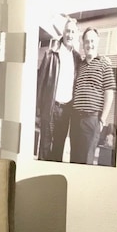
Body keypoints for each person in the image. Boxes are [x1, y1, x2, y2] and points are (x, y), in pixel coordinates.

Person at [35, 17, 80, 161]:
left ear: (76, 35)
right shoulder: (51, 54)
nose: (70, 35)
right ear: (63, 32)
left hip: (66, 110)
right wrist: (37, 110)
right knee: (45, 147)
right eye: (68, 31)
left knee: (58, 149)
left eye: (73, 32)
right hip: (50, 107)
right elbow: (40, 84)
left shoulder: (77, 58)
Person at [69, 27, 116, 164]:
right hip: (75, 119)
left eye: (92, 41)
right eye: (87, 41)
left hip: (92, 120)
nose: (90, 45)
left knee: (85, 161)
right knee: (74, 159)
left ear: (98, 42)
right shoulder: (80, 65)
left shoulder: (104, 64)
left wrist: (102, 120)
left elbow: (109, 92)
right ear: (83, 44)